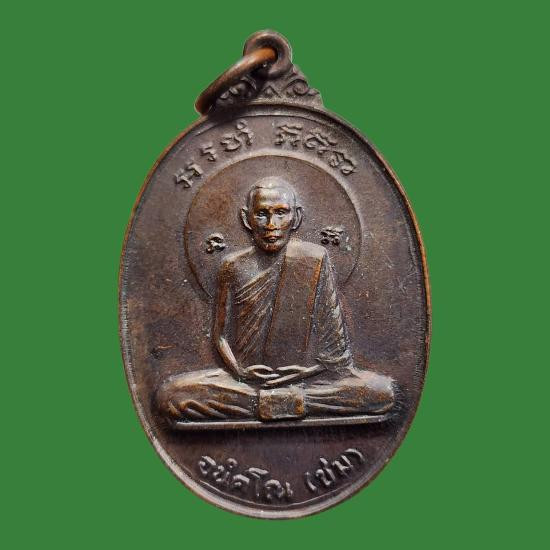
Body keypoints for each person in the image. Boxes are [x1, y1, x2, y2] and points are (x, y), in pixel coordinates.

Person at [157, 177, 395, 422]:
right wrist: (240, 371)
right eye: (262, 214)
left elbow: (337, 355)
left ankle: (277, 402)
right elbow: (220, 336)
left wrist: (306, 372)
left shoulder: (314, 259)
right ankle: (286, 402)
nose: (271, 225)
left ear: (297, 217)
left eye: (281, 213)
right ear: (246, 219)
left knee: (381, 392)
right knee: (171, 396)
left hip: (309, 381)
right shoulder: (232, 266)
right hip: (247, 383)